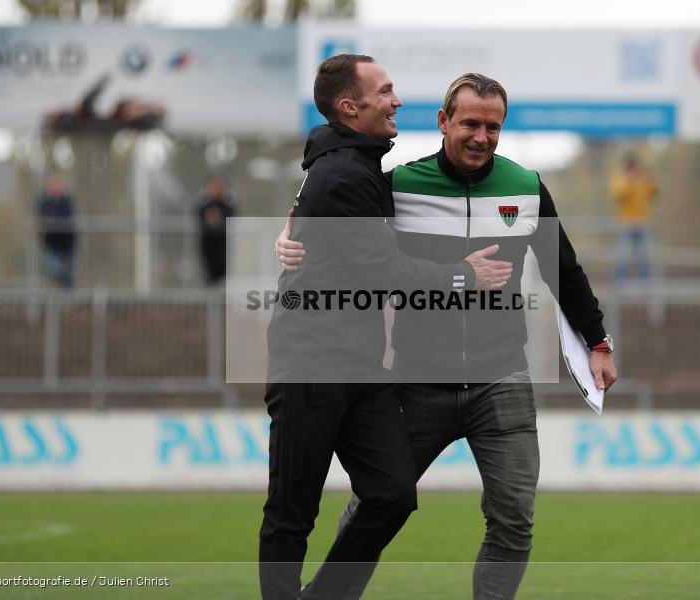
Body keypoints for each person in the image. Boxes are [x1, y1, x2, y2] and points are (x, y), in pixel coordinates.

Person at [277, 73, 618, 600]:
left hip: (501, 378)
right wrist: (292, 225)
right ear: (443, 121)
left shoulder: (526, 186)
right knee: (376, 505)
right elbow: (337, 205)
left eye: (493, 126)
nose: (481, 136)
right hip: (416, 381)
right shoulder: (400, 184)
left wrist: (598, 343)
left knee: (515, 519)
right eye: (470, 124)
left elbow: (563, 271)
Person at [260, 56, 512, 600]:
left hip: (362, 366)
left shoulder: (358, 168)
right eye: (386, 92)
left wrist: (290, 232)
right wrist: (462, 277)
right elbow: (386, 270)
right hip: (310, 364)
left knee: (392, 493)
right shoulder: (342, 173)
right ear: (351, 107)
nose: (397, 101)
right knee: (292, 511)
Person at [610, 152, 659, 284]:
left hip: (643, 223)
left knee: (645, 254)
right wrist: (630, 182)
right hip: (627, 224)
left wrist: (647, 179)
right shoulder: (621, 181)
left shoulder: (643, 181)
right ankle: (619, 280)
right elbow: (618, 195)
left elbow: (654, 191)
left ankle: (645, 280)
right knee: (623, 253)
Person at [38, 175, 77, 289]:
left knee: (70, 272)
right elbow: (42, 217)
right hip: (52, 244)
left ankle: (68, 293)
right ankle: (63, 286)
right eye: (53, 186)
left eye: (58, 186)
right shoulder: (44, 202)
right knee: (53, 269)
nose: (55, 188)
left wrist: (54, 219)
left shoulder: (67, 202)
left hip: (67, 243)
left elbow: (67, 217)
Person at [196, 177, 235, 285]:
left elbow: (231, 214)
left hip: (223, 247)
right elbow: (199, 215)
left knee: (222, 276)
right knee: (209, 276)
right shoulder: (203, 204)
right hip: (208, 246)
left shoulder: (227, 205)